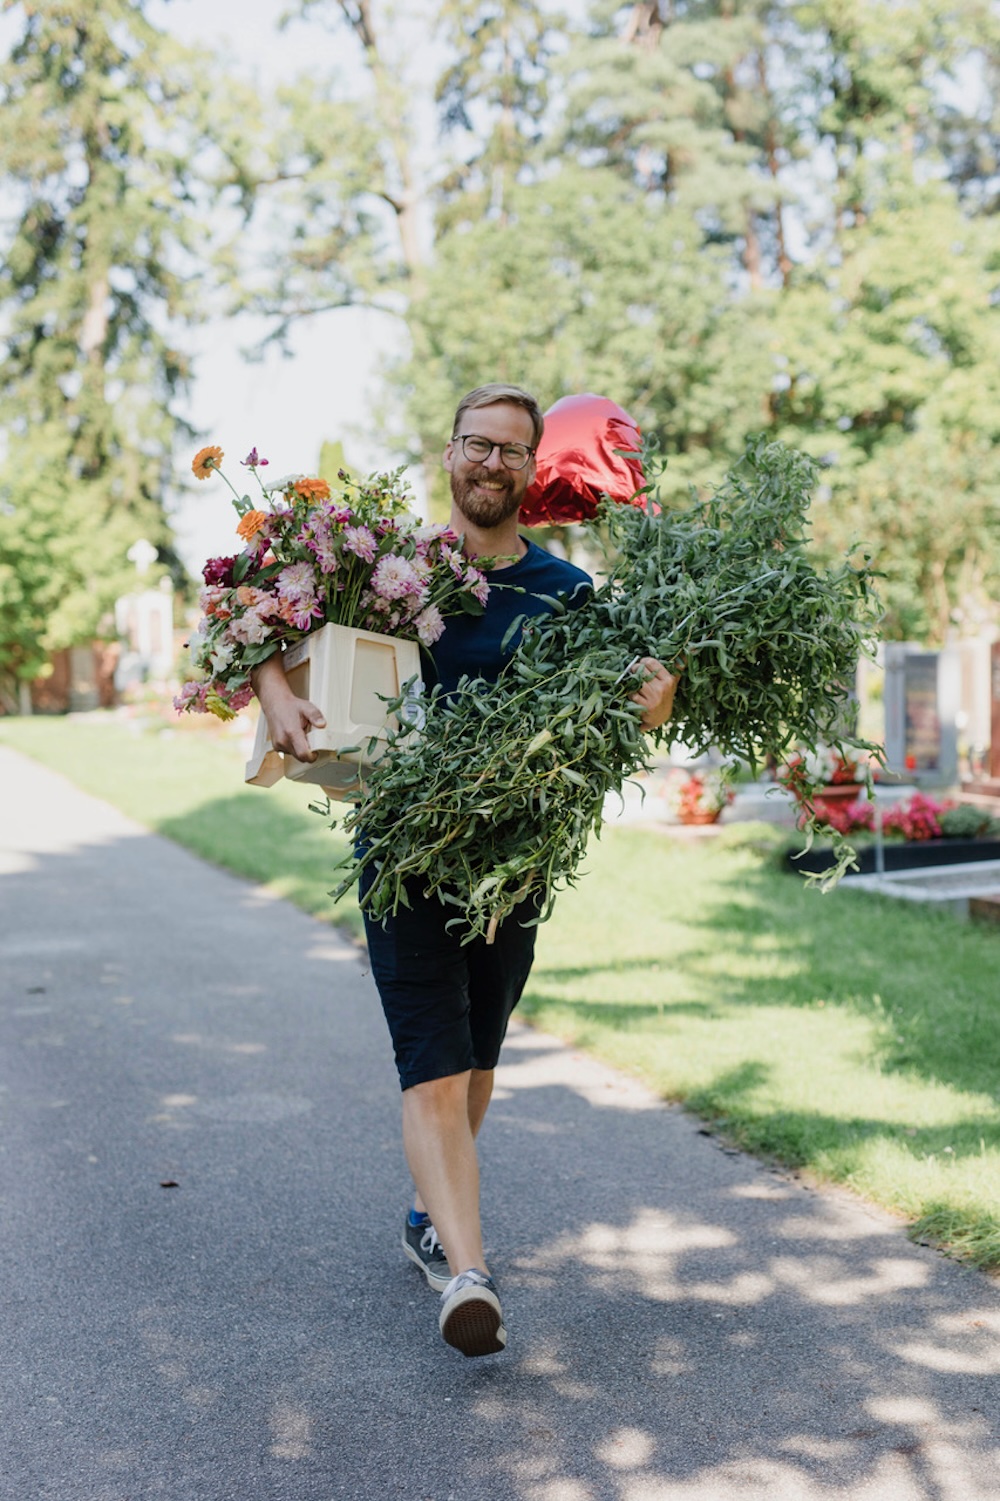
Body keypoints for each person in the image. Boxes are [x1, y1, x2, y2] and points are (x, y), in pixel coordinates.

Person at [253, 384, 678, 1357]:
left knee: (479, 1059)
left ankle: (425, 1213)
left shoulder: (567, 592)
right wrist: (274, 689)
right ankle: (468, 1275)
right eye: (476, 444)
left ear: (534, 468)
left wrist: (655, 697)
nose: (492, 464)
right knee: (434, 1070)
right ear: (448, 452)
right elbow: (251, 617)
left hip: (513, 869)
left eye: (511, 451)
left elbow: (627, 702)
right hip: (402, 855)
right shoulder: (390, 571)